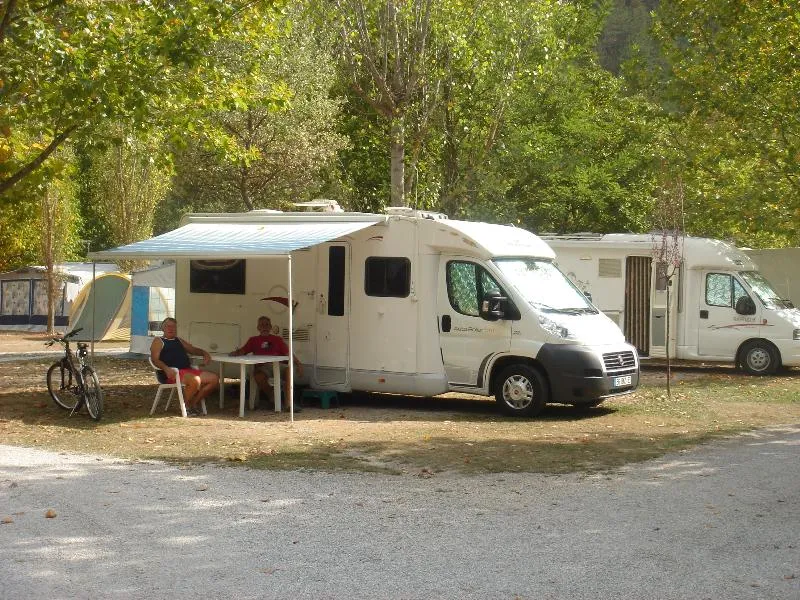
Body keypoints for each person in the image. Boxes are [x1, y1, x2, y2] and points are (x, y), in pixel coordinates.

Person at [230, 316, 304, 412]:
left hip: (279, 365)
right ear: (258, 328)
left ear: (270, 327)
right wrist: (235, 352)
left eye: (267, 325)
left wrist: (299, 364)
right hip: (263, 367)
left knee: (289, 371)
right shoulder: (253, 340)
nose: (264, 327)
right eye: (262, 325)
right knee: (258, 376)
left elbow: (288, 353)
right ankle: (272, 396)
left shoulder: (277, 339)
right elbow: (243, 351)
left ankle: (289, 404)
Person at [150, 317, 219, 417]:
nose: (171, 328)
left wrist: (204, 353)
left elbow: (193, 350)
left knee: (214, 379)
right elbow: (155, 359)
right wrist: (166, 368)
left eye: (173, 326)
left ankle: (192, 404)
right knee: (195, 380)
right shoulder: (159, 341)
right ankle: (186, 406)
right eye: (168, 326)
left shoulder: (178, 340)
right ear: (163, 328)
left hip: (187, 370)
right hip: (172, 373)